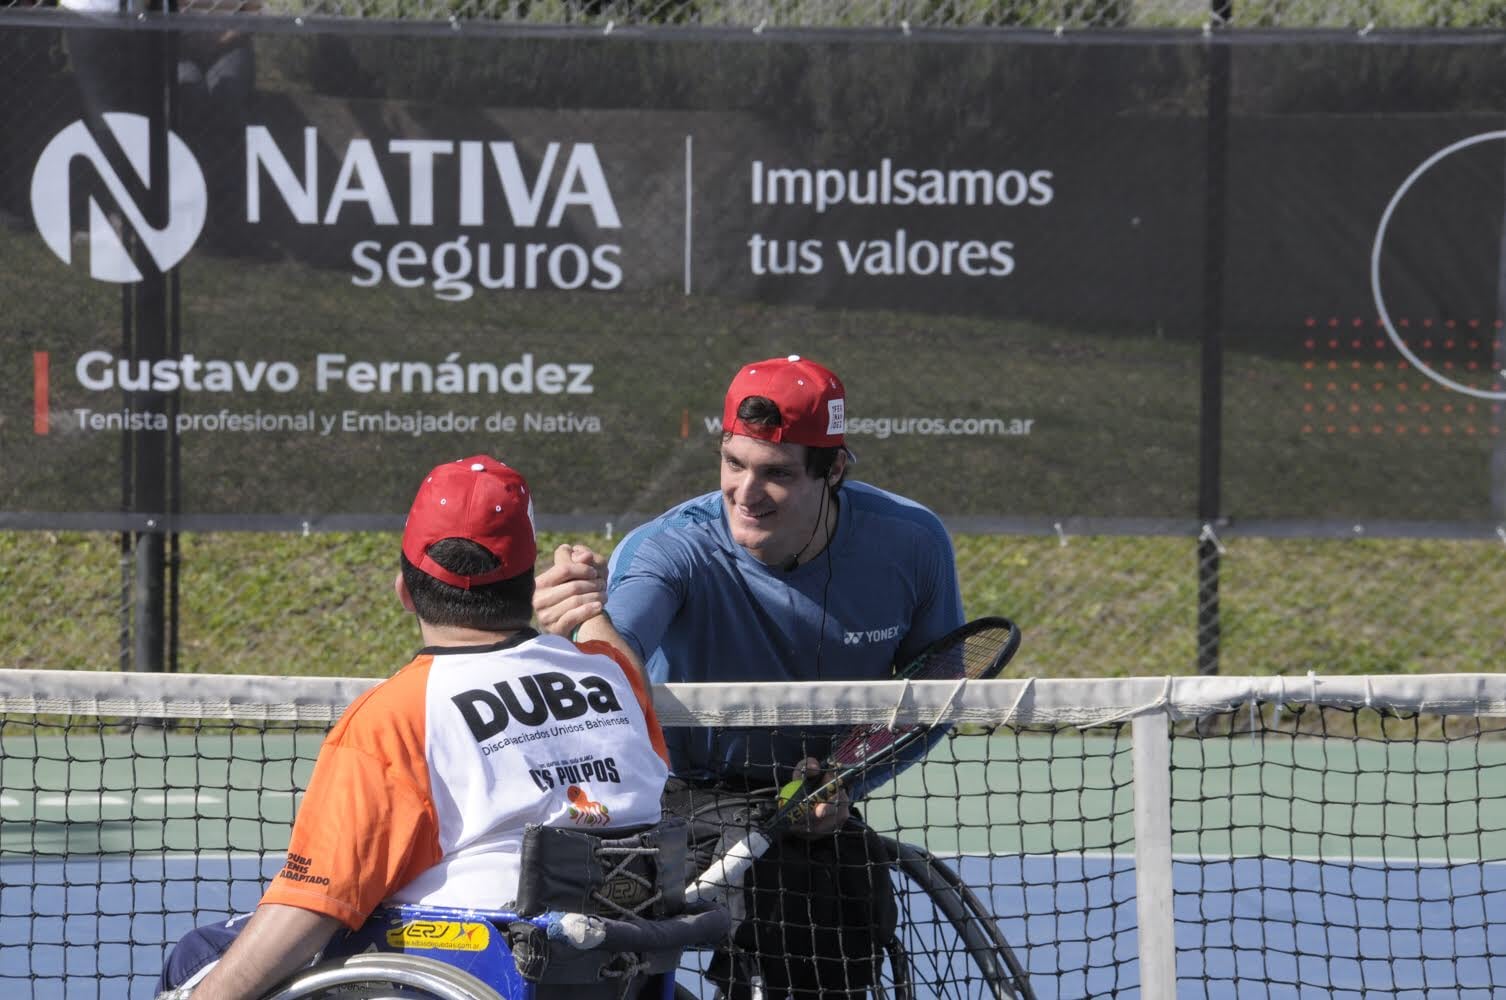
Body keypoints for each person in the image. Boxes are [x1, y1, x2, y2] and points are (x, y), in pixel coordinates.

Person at [158, 455, 671, 999]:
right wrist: (588, 607)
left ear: (404, 590)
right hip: (611, 970)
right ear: (528, 585)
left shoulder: (395, 717)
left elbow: (314, 904)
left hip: (469, 967)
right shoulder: (608, 677)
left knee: (199, 956)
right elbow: (620, 662)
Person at [534, 355, 965, 999]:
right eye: (733, 463)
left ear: (834, 470)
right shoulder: (668, 548)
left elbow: (939, 685)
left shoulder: (912, 542)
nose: (746, 491)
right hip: (670, 799)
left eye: (777, 474)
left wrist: (844, 781)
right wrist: (576, 620)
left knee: (843, 890)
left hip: (812, 801)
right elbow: (613, 669)